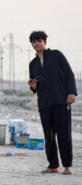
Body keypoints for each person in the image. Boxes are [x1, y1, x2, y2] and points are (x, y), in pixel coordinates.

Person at [28, 31, 77, 175]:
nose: (37, 43)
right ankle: (53, 165)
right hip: (44, 103)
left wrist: (71, 93)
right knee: (48, 136)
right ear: (31, 44)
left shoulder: (56, 55)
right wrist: (33, 86)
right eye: (34, 41)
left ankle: (67, 166)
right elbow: (34, 85)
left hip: (61, 100)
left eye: (39, 40)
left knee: (64, 134)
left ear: (45, 42)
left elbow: (69, 74)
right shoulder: (33, 64)